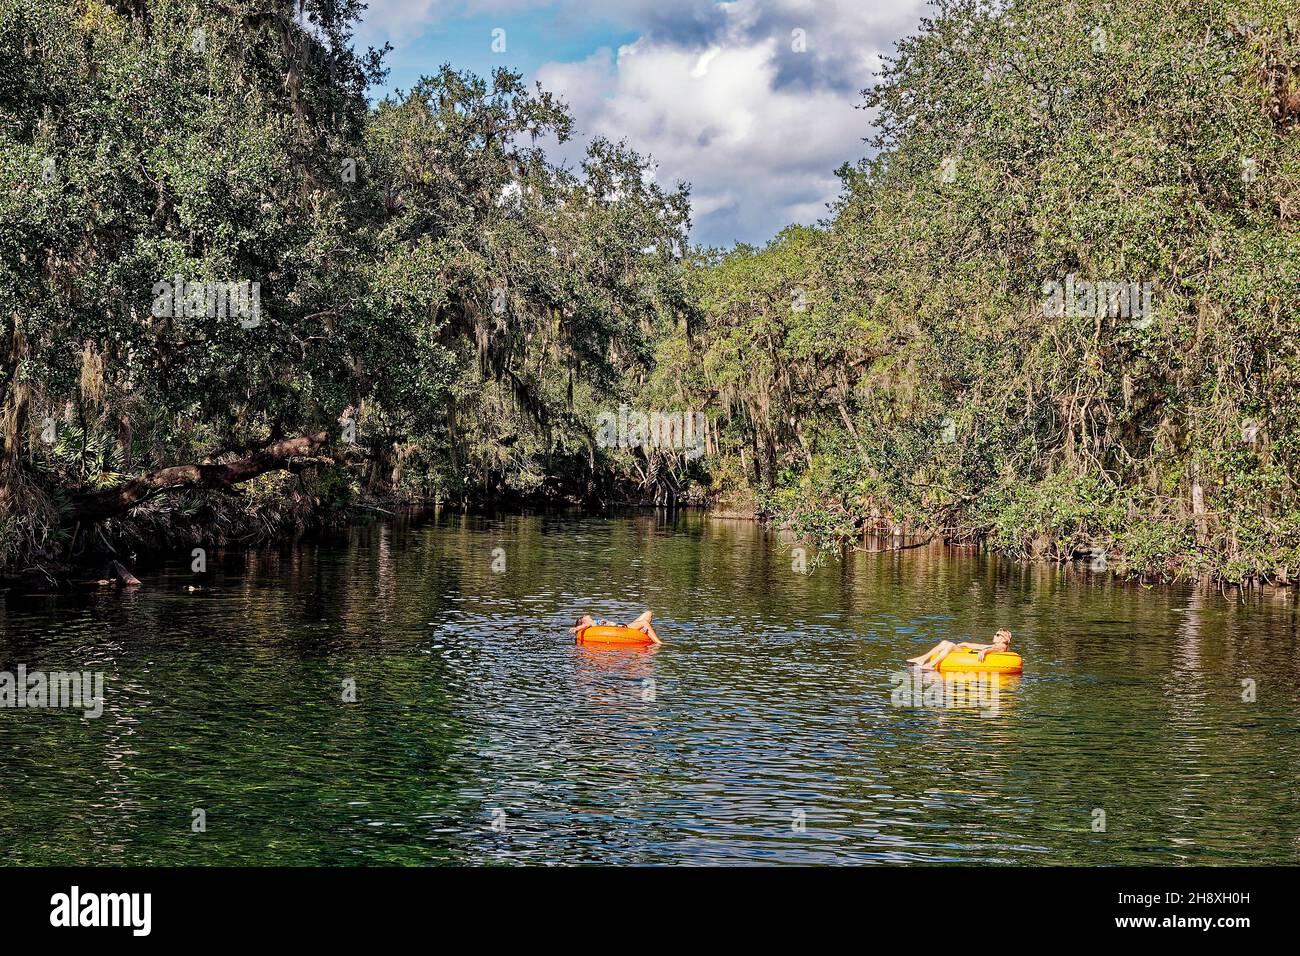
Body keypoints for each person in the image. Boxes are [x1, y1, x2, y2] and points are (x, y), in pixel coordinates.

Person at [907, 629, 1012, 670]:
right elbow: (980, 646)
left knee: (950, 645)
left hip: (977, 660)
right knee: (944, 643)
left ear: (1003, 639)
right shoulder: (997, 645)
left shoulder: (1002, 646)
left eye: (997, 635)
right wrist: (967, 644)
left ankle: (931, 665)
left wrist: (985, 651)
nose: (995, 635)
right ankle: (922, 659)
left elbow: (993, 649)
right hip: (972, 654)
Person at [570, 610, 662, 645]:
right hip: (625, 630)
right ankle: (659, 643)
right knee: (645, 623)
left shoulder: (593, 622)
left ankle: (642, 632)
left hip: (624, 627)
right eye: (582, 616)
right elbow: (584, 626)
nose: (585, 614)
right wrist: (576, 629)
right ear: (583, 621)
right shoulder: (589, 624)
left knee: (648, 613)